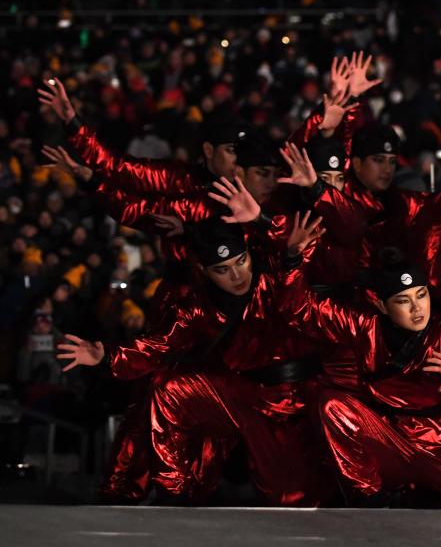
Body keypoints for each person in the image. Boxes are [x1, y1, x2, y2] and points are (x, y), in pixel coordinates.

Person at [56, 210, 336, 506]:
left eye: (241, 262)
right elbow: (157, 346)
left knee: (293, 499)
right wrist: (106, 356)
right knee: (167, 387)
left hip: (294, 399)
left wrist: (283, 242)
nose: (237, 275)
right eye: (223, 269)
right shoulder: (197, 307)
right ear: (204, 270)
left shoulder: (277, 279)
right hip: (240, 396)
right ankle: (174, 496)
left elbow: (312, 262)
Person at [278, 217, 441, 508]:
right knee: (333, 406)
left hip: (440, 443)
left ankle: (427, 491)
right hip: (387, 438)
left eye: (421, 295)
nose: (417, 308)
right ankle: (369, 498)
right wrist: (294, 260)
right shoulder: (364, 326)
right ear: (382, 305)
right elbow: (302, 310)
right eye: (403, 301)